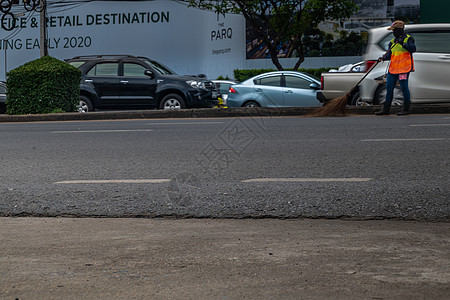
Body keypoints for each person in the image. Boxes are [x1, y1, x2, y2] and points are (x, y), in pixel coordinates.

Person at [376, 20, 416, 116]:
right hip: (393, 69)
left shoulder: (408, 39)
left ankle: (406, 109)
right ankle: (386, 110)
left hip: (404, 69)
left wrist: (403, 43)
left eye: (394, 30)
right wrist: (383, 58)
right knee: (389, 87)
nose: (393, 32)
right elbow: (390, 54)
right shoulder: (392, 42)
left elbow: (413, 49)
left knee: (404, 88)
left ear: (399, 30)